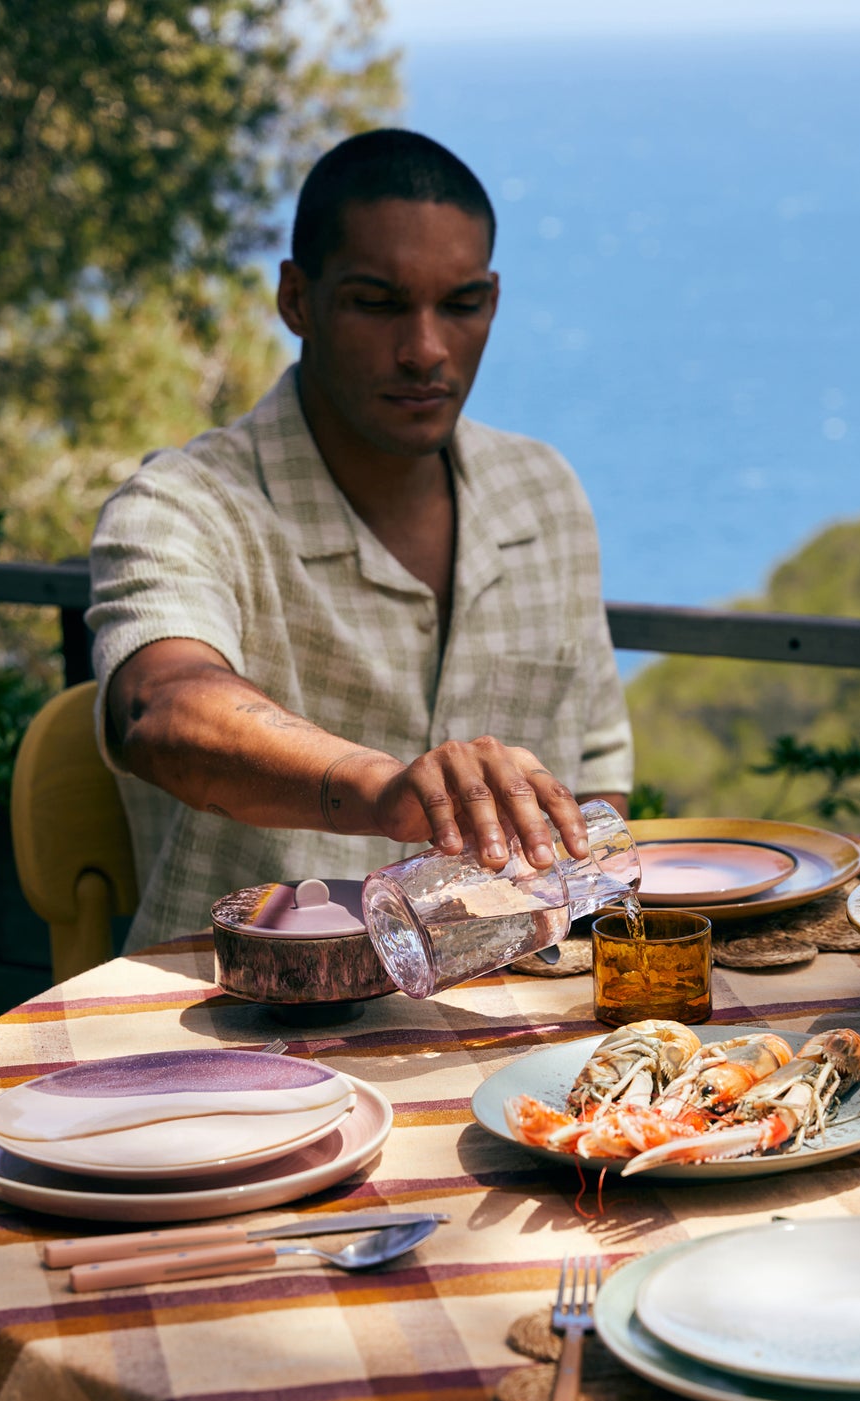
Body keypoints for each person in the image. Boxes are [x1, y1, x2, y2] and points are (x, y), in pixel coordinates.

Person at [88, 129, 633, 948]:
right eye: (377, 303)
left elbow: (596, 789)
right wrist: (382, 792)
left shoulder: (544, 492)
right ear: (296, 300)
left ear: (493, 297)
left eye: (461, 304)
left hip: (503, 1016)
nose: (425, 350)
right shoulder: (183, 504)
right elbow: (161, 709)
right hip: (237, 1019)